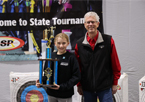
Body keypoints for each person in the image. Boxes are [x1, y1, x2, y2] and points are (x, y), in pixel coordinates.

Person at [75, 11, 121, 102]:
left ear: (98, 24)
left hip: (105, 88)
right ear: (84, 24)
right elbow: (78, 67)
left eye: (93, 22)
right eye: (88, 22)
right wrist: (79, 84)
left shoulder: (108, 41)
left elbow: (115, 64)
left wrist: (115, 83)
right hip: (87, 88)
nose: (90, 24)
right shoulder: (79, 44)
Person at [36, 33, 81, 102]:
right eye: (59, 43)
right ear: (55, 43)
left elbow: (76, 76)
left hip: (65, 95)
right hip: (51, 94)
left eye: (64, 43)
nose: (61, 46)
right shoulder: (50, 56)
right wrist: (41, 81)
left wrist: (62, 87)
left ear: (68, 43)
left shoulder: (71, 57)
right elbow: (47, 73)